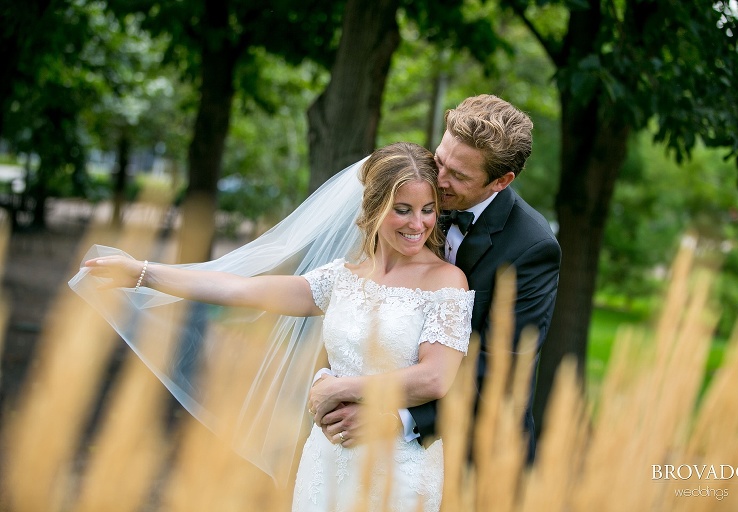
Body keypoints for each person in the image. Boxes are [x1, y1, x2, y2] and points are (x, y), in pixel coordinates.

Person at [72, 142, 474, 512]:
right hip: (327, 456)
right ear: (372, 207)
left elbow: (435, 377)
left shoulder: (446, 282)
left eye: (428, 210)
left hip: (399, 468)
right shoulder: (343, 277)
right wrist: (143, 272)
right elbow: (241, 289)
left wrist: (333, 387)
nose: (418, 224)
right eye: (402, 209)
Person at [314, 94, 561, 462]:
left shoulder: (532, 247)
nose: (438, 180)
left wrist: (396, 418)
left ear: (501, 181)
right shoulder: (420, 204)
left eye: (458, 175)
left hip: (473, 457)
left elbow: (498, 372)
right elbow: (366, 295)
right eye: (440, 160)